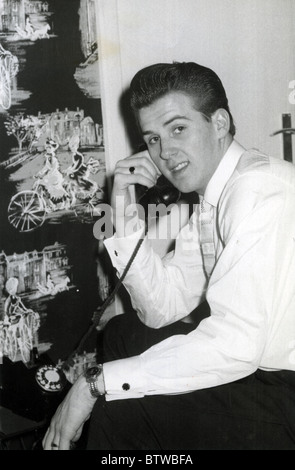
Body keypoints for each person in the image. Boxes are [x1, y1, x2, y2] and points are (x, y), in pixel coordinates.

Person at [42, 62, 295, 450]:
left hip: (285, 392)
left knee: (121, 405)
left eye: (178, 128)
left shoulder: (259, 191)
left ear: (220, 122)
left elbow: (236, 346)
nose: (165, 152)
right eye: (153, 139)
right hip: (259, 372)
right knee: (124, 333)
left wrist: (94, 384)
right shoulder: (214, 198)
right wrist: (123, 208)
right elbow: (161, 308)